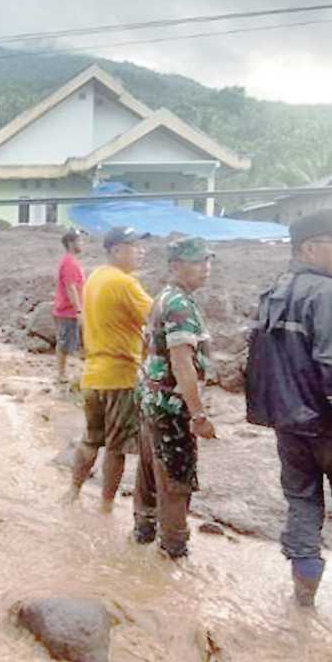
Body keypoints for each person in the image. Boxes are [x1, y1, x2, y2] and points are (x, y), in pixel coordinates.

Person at [246, 209, 332, 606]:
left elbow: (258, 360)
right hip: (330, 423)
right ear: (309, 247)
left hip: (289, 422)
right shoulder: (328, 292)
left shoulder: (275, 289)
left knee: (302, 504)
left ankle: (303, 602)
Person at [132, 237, 218, 559]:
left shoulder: (162, 298)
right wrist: (198, 416)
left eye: (207, 261)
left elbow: (146, 347)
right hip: (171, 406)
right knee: (175, 479)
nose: (205, 268)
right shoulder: (180, 305)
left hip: (151, 399)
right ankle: (173, 550)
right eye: (197, 262)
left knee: (150, 471)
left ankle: (143, 533)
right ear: (175, 267)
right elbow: (182, 362)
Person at [66, 227, 153, 508]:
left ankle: (73, 493)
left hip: (92, 375)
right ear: (116, 251)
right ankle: (106, 507)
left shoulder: (96, 277)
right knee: (116, 449)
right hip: (120, 377)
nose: (142, 251)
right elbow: (159, 316)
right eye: (135, 246)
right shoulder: (125, 283)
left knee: (90, 439)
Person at [52, 230, 86, 383]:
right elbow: (70, 287)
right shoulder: (69, 263)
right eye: (80, 241)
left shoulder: (70, 261)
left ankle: (65, 373)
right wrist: (79, 310)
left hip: (70, 310)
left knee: (70, 343)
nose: (82, 244)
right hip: (67, 311)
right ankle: (61, 374)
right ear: (71, 243)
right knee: (65, 343)